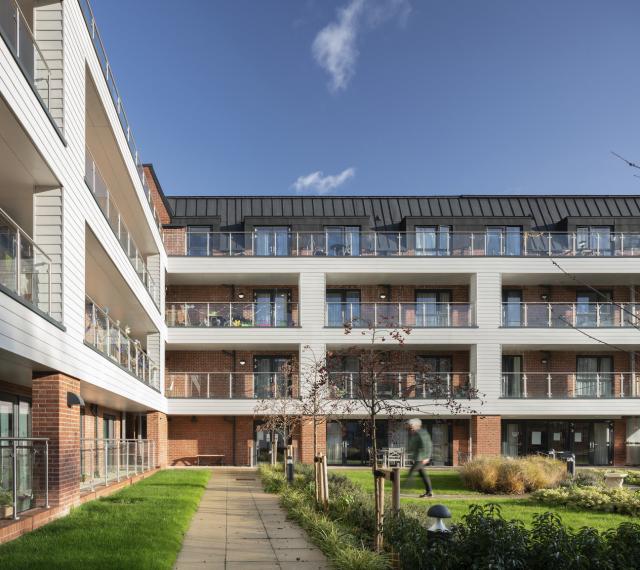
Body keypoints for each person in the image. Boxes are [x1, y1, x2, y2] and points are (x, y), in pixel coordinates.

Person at [406, 418, 433, 498]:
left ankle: (402, 489)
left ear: (416, 426)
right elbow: (413, 445)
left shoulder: (422, 433)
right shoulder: (415, 433)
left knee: (411, 471)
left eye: (411, 427)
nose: (410, 429)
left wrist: (427, 457)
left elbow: (428, 445)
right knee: (423, 474)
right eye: (410, 427)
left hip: (421, 458)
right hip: (418, 457)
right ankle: (429, 492)